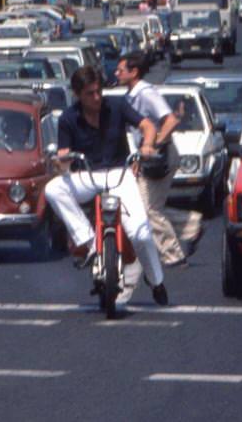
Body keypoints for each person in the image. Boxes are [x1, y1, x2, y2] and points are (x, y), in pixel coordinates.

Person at [44, 66, 169, 307]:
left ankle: (156, 281)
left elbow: (148, 126)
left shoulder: (117, 106)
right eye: (90, 93)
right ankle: (90, 242)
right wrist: (61, 160)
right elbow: (63, 156)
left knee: (140, 233)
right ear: (78, 94)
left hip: (119, 172)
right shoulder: (69, 118)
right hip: (87, 175)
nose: (97, 97)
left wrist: (146, 146)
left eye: (99, 91)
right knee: (53, 189)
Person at [116, 51, 187, 267]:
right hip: (147, 158)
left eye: (120, 70)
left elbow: (171, 120)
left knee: (150, 209)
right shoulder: (130, 96)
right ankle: (190, 225)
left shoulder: (146, 93)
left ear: (134, 72)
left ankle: (173, 255)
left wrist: (153, 145)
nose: (116, 73)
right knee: (138, 203)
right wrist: (139, 156)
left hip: (162, 157)